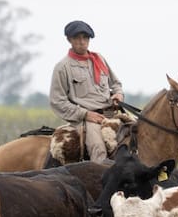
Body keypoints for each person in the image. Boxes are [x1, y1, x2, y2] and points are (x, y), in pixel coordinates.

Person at [50, 20, 124, 163]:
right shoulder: (62, 67)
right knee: (98, 149)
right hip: (86, 119)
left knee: (139, 135)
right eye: (77, 38)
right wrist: (85, 114)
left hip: (111, 113)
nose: (82, 42)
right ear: (69, 40)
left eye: (85, 38)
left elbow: (116, 84)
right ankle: (101, 181)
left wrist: (118, 94)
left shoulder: (99, 59)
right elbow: (57, 101)